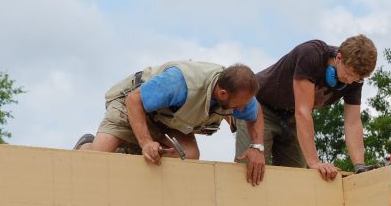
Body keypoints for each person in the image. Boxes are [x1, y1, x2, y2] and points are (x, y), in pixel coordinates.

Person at [75, 62, 266, 185]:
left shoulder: (239, 94)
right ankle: (87, 144)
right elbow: (134, 101)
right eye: (240, 105)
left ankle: (128, 151)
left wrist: (257, 147)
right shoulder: (179, 83)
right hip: (132, 105)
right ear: (223, 93)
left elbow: (255, 114)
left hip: (168, 119)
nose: (243, 109)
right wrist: (146, 143)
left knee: (189, 156)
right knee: (96, 159)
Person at [235, 35, 377, 181]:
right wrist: (314, 161)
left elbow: (352, 122)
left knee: (297, 180)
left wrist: (359, 166)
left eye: (357, 78)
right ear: (339, 58)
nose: (350, 80)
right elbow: (303, 112)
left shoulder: (355, 81)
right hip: (260, 107)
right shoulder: (312, 54)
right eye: (348, 74)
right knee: (251, 170)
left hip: (291, 117)